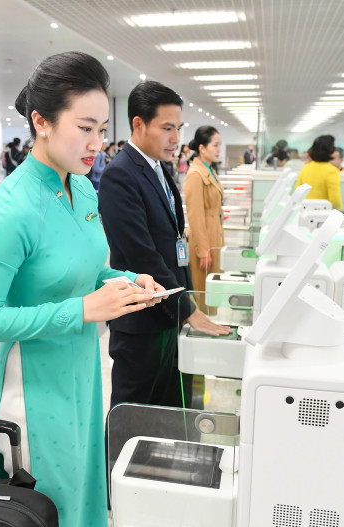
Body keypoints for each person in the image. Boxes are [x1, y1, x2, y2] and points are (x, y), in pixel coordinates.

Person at [0, 51, 163, 527]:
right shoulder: (13, 207)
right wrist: (82, 310)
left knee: (87, 488)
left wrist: (129, 282)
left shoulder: (82, 187)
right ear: (41, 121)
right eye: (85, 127)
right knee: (51, 504)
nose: (97, 142)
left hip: (83, 369)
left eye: (102, 128)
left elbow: (86, 274)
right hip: (34, 383)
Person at [98, 81, 231, 415]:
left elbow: (172, 239)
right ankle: (115, 467)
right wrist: (187, 309)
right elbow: (142, 253)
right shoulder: (120, 175)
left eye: (179, 128)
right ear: (139, 124)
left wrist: (182, 305)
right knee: (132, 411)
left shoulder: (159, 168)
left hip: (166, 310)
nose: (176, 138)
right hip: (141, 319)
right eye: (167, 128)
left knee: (165, 407)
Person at [184, 126, 224, 313]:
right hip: (204, 236)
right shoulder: (195, 175)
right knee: (202, 290)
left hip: (214, 232)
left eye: (220, 145)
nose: (218, 150)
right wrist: (203, 250)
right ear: (202, 148)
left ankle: (210, 324)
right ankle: (201, 331)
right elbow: (195, 216)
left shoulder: (210, 170)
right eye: (215, 145)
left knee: (213, 285)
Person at [296, 134, 344, 210]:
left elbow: (298, 192)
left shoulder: (306, 167)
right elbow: (335, 200)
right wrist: (341, 214)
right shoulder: (332, 170)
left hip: (304, 212)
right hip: (323, 215)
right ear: (330, 150)